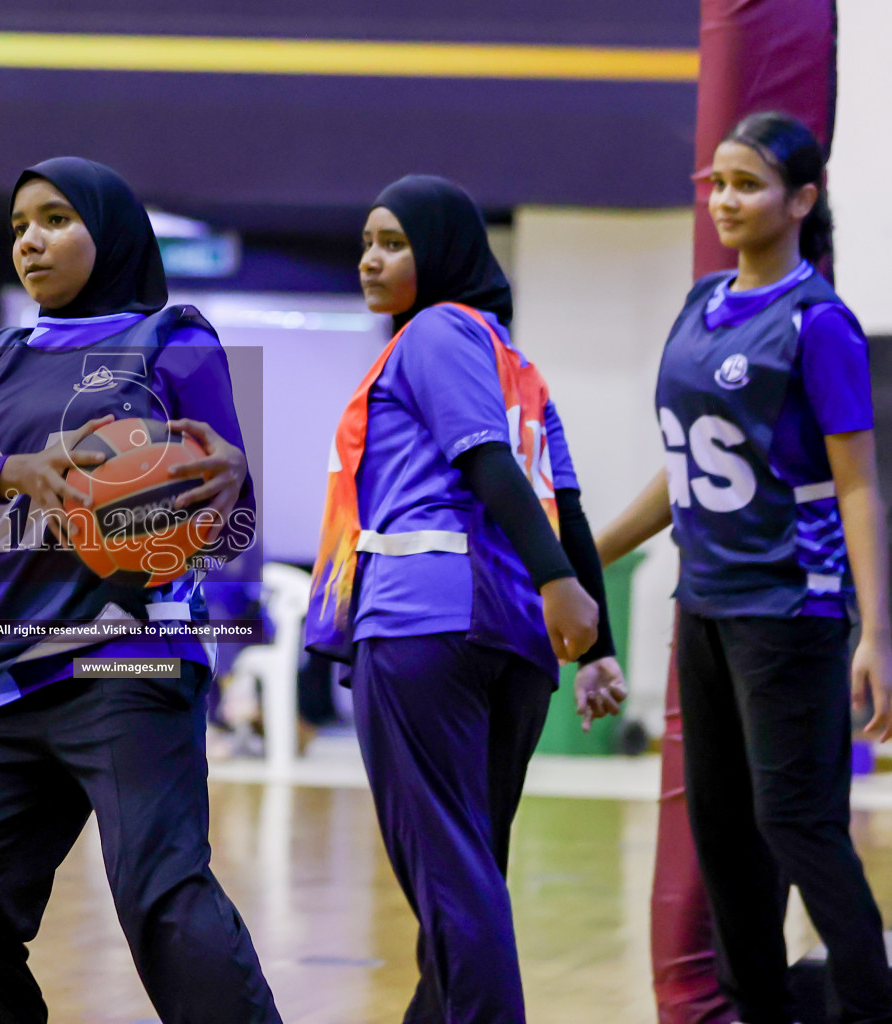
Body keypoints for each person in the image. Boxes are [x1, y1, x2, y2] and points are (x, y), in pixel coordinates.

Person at [0, 157, 282, 1024]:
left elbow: (235, 500)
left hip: (130, 664)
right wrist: (14, 470)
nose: (31, 239)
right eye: (20, 225)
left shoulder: (173, 336)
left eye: (56, 219)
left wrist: (231, 487)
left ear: (110, 231)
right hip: (12, 671)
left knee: (161, 900)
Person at [304, 174, 624, 1022]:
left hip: (422, 624)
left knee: (450, 875)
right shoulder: (515, 363)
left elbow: (488, 462)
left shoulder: (436, 333)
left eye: (394, 242)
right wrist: (598, 648)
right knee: (469, 872)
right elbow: (571, 508)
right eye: (368, 241)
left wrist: (565, 588)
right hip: (508, 639)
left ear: (441, 252)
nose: (371, 259)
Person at [597, 111, 892, 1023]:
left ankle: (872, 1004)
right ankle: (761, 1010)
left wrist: (874, 631)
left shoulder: (820, 323)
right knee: (721, 836)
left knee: (797, 825)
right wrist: (587, 552)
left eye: (747, 184)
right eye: (715, 183)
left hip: (791, 610)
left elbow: (857, 488)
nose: (725, 201)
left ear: (802, 200)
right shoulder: (699, 304)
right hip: (707, 606)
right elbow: (686, 465)